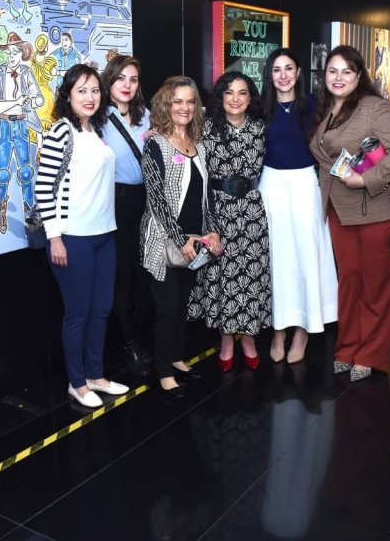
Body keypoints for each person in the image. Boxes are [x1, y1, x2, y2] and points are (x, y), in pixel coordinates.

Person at [309, 45, 390, 382]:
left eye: (346, 71)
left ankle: (371, 353)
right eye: (332, 71)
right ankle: (347, 347)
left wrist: (365, 179)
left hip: (374, 209)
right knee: (349, 282)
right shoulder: (325, 108)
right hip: (339, 209)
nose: (339, 78)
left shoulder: (374, 107)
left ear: (358, 75)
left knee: (377, 285)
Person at [36, 64, 129, 409]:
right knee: (78, 313)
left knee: (101, 309)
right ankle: (77, 383)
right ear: (68, 96)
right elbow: (43, 188)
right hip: (73, 237)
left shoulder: (95, 131)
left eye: (94, 90)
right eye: (81, 91)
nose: (89, 97)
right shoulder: (61, 132)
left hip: (104, 235)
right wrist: (55, 237)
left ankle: (95, 375)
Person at [141, 76, 221, 399]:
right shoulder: (155, 144)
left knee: (182, 305)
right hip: (163, 241)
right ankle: (163, 372)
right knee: (167, 306)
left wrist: (212, 230)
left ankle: (175, 357)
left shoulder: (199, 144)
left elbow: (207, 195)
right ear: (166, 104)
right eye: (178, 101)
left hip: (195, 240)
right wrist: (180, 239)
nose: (184, 107)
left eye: (190, 101)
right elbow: (156, 199)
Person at [259, 48, 337, 364]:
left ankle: (303, 329)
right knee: (276, 258)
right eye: (277, 69)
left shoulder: (316, 106)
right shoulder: (259, 108)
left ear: (299, 71)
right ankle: (278, 330)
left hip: (306, 184)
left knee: (306, 255)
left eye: (289, 68)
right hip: (271, 185)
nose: (283, 75)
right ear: (269, 74)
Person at [188, 71, 271, 370]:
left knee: (250, 277)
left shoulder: (260, 128)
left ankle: (248, 339)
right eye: (229, 93)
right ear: (220, 97)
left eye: (242, 93)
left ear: (250, 98)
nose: (235, 99)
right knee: (222, 276)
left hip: (251, 212)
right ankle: (225, 340)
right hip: (217, 210)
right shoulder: (205, 128)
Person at [101, 54, 154, 377]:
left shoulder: (146, 116)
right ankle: (129, 344)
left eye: (133, 79)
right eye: (121, 78)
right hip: (115, 201)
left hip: (145, 200)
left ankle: (141, 338)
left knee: (145, 274)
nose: (127, 85)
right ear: (109, 80)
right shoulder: (97, 117)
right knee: (121, 275)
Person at [0, 32, 43, 233]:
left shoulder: (26, 73)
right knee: (2, 173)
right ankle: (2, 209)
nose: (11, 56)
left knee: (26, 171)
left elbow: (38, 98)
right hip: (3, 125)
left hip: (21, 124)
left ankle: (29, 209)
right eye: (9, 52)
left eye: (15, 52)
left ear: (22, 53)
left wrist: (33, 101)